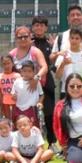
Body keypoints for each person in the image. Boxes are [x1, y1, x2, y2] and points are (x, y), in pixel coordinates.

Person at [31, 16, 58, 147]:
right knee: (31, 113)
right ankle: (32, 143)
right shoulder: (28, 43)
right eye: (36, 25)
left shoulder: (51, 44)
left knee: (49, 113)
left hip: (47, 83)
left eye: (41, 25)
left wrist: (55, 48)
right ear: (32, 27)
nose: (39, 27)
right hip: (31, 83)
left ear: (46, 28)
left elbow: (54, 63)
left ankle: (52, 142)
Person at [9, 25, 48, 94]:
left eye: (25, 36)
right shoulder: (12, 54)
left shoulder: (36, 51)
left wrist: (36, 78)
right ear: (16, 38)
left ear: (30, 36)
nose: (23, 39)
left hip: (33, 89)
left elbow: (44, 67)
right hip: (17, 91)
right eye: (20, 37)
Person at [11, 59, 42, 131]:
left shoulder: (36, 82)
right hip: (19, 108)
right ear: (21, 72)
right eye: (24, 71)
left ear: (34, 72)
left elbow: (41, 94)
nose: (27, 73)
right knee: (20, 127)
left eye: (29, 71)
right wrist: (14, 97)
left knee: (32, 127)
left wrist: (40, 102)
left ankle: (33, 142)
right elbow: (13, 95)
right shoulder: (17, 82)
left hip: (31, 109)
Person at [0, 54, 20, 120]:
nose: (6, 66)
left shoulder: (18, 76)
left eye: (8, 63)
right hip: (5, 102)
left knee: (16, 119)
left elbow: (20, 90)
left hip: (16, 102)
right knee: (7, 120)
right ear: (1, 65)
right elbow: (0, 93)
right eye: (4, 64)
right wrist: (2, 108)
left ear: (12, 64)